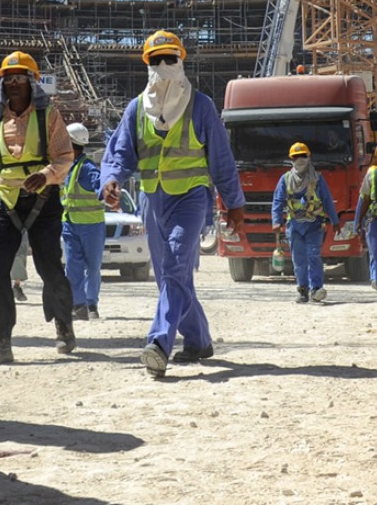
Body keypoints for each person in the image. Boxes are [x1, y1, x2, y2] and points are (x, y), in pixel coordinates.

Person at [101, 30, 245, 378]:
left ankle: (159, 343)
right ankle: (198, 340)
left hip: (191, 199)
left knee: (176, 268)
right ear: (147, 65)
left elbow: (221, 161)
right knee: (168, 277)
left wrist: (234, 202)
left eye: (170, 59)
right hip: (153, 201)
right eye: (156, 60)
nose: (163, 66)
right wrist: (110, 179)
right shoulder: (137, 109)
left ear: (181, 61)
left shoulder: (201, 106)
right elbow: (119, 153)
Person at [0, 51, 76, 367]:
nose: (15, 83)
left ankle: (63, 325)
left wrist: (45, 175)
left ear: (32, 83)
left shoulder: (49, 117)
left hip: (43, 201)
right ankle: (0, 341)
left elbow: (64, 157)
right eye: (9, 79)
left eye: (21, 78)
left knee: (49, 266)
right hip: (5, 202)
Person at [272, 142, 340, 303]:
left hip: (314, 224)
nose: (300, 159)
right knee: (299, 260)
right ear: (291, 160)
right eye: (296, 157)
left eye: (303, 156)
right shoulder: (286, 179)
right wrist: (276, 221)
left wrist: (335, 220)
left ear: (309, 158)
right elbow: (277, 200)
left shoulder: (317, 179)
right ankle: (302, 290)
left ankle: (317, 289)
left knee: (314, 256)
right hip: (295, 226)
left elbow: (327, 200)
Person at [61, 122, 105, 320]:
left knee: (93, 266)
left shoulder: (87, 168)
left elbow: (99, 185)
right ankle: (78, 304)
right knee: (73, 266)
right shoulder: (67, 167)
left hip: (91, 226)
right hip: (70, 224)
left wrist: (106, 191)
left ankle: (91, 304)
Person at [353, 147, 377, 291]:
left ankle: (375, 277)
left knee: (375, 251)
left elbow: (364, 200)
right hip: (373, 219)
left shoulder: (372, 172)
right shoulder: (373, 173)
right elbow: (364, 199)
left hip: (373, 219)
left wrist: (358, 222)